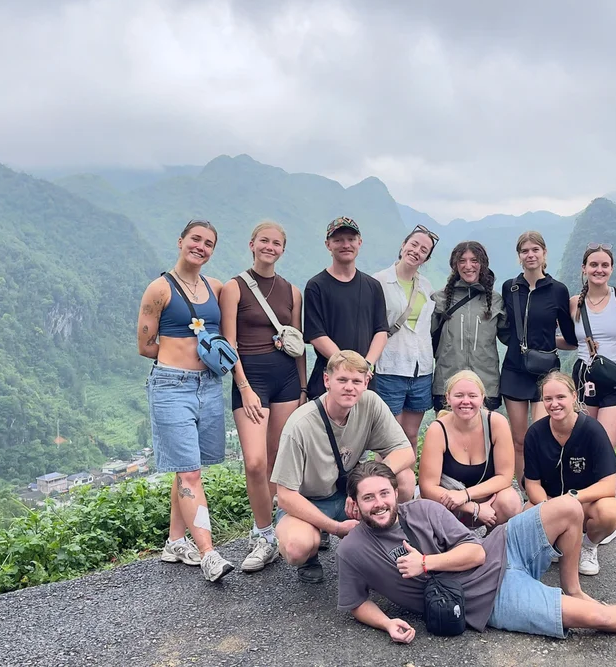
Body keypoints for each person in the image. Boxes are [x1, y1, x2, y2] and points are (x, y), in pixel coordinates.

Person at [336, 461, 616, 643]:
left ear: (395, 493)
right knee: (597, 618)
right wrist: (387, 623)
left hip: (498, 549)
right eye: (368, 498)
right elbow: (355, 603)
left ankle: (572, 587)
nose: (379, 503)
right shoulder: (353, 550)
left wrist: (427, 562)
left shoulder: (422, 509)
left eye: (384, 493)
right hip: (486, 600)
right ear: (355, 503)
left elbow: (474, 553)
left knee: (568, 506)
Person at [136, 219, 236, 582]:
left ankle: (175, 541)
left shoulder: (216, 287)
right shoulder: (159, 289)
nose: (201, 247)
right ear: (181, 242)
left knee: (188, 468)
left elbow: (228, 331)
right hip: (171, 386)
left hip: (209, 386)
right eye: (195, 239)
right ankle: (209, 553)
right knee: (191, 473)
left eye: (209, 243)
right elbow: (145, 345)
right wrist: (178, 358)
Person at [270, 350, 416, 583]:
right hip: (307, 501)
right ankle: (312, 553)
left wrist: (364, 487)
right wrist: (336, 528)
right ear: (327, 380)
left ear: (366, 383)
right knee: (297, 547)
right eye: (342, 380)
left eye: (357, 381)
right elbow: (285, 496)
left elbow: (405, 452)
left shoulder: (370, 404)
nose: (350, 387)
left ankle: (388, 542)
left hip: (347, 491)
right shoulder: (300, 425)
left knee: (405, 479)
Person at [217, 221, 306, 572]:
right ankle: (262, 533)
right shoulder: (234, 288)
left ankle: (273, 531)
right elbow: (229, 344)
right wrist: (244, 387)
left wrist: (301, 389)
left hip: (285, 379)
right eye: (264, 241)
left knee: (277, 457)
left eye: (277, 243)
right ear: (251, 244)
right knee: (254, 462)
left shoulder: (292, 292)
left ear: (283, 249)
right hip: (251, 379)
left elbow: (297, 344)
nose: (270, 247)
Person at [498, 231, 578, 483]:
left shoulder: (558, 290)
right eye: (525, 251)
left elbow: (570, 338)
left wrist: (543, 344)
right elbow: (505, 330)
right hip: (514, 370)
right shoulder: (510, 288)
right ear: (519, 256)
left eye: (535, 250)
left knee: (544, 435)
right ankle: (525, 490)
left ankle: (548, 488)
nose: (530, 255)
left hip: (546, 373)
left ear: (544, 254)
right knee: (520, 439)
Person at [522, 372, 616, 576]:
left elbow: (609, 485)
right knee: (526, 512)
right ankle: (558, 543)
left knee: (609, 511)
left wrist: (571, 499)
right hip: (549, 501)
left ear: (574, 397)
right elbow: (532, 484)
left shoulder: (593, 431)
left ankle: (588, 545)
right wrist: (552, 507)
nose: (554, 404)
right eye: (548, 399)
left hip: (583, 504)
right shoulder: (535, 434)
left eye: (560, 397)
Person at [418, 370, 522, 530]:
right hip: (450, 504)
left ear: (482, 397)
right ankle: (447, 547)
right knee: (425, 505)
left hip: (488, 504)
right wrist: (472, 507)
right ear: (447, 398)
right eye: (459, 395)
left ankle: (494, 544)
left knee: (510, 501)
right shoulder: (438, 429)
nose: (465, 401)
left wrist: (466, 495)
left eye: (472, 396)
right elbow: (427, 487)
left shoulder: (496, 423)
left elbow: (505, 477)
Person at [303, 217, 389, 399]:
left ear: (360, 242)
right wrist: (349, 367)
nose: (345, 245)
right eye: (338, 240)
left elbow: (381, 331)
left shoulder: (372, 286)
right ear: (328, 245)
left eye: (350, 239)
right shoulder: (316, 286)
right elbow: (316, 334)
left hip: (366, 380)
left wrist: (366, 366)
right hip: (329, 378)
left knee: (364, 426)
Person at [373, 225, 439, 447]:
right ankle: (386, 482)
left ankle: (407, 483)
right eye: (413, 244)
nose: (416, 251)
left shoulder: (426, 286)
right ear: (403, 245)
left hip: (421, 369)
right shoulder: (378, 282)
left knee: (411, 435)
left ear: (426, 259)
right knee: (390, 438)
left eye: (423, 250)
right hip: (390, 367)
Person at [569, 243, 616, 448]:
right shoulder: (574, 303)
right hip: (584, 379)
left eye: (605, 265)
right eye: (594, 264)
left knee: (604, 446)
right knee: (583, 444)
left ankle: (605, 481)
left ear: (612, 268)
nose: (599, 269)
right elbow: (571, 342)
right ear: (584, 268)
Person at [431, 241, 503, 413]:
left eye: (474, 260)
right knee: (446, 437)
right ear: (455, 265)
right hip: (447, 385)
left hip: (486, 384)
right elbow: (424, 338)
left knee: (485, 438)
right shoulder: (439, 299)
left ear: (483, 264)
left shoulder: (496, 300)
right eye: (462, 261)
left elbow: (510, 336)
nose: (468, 266)